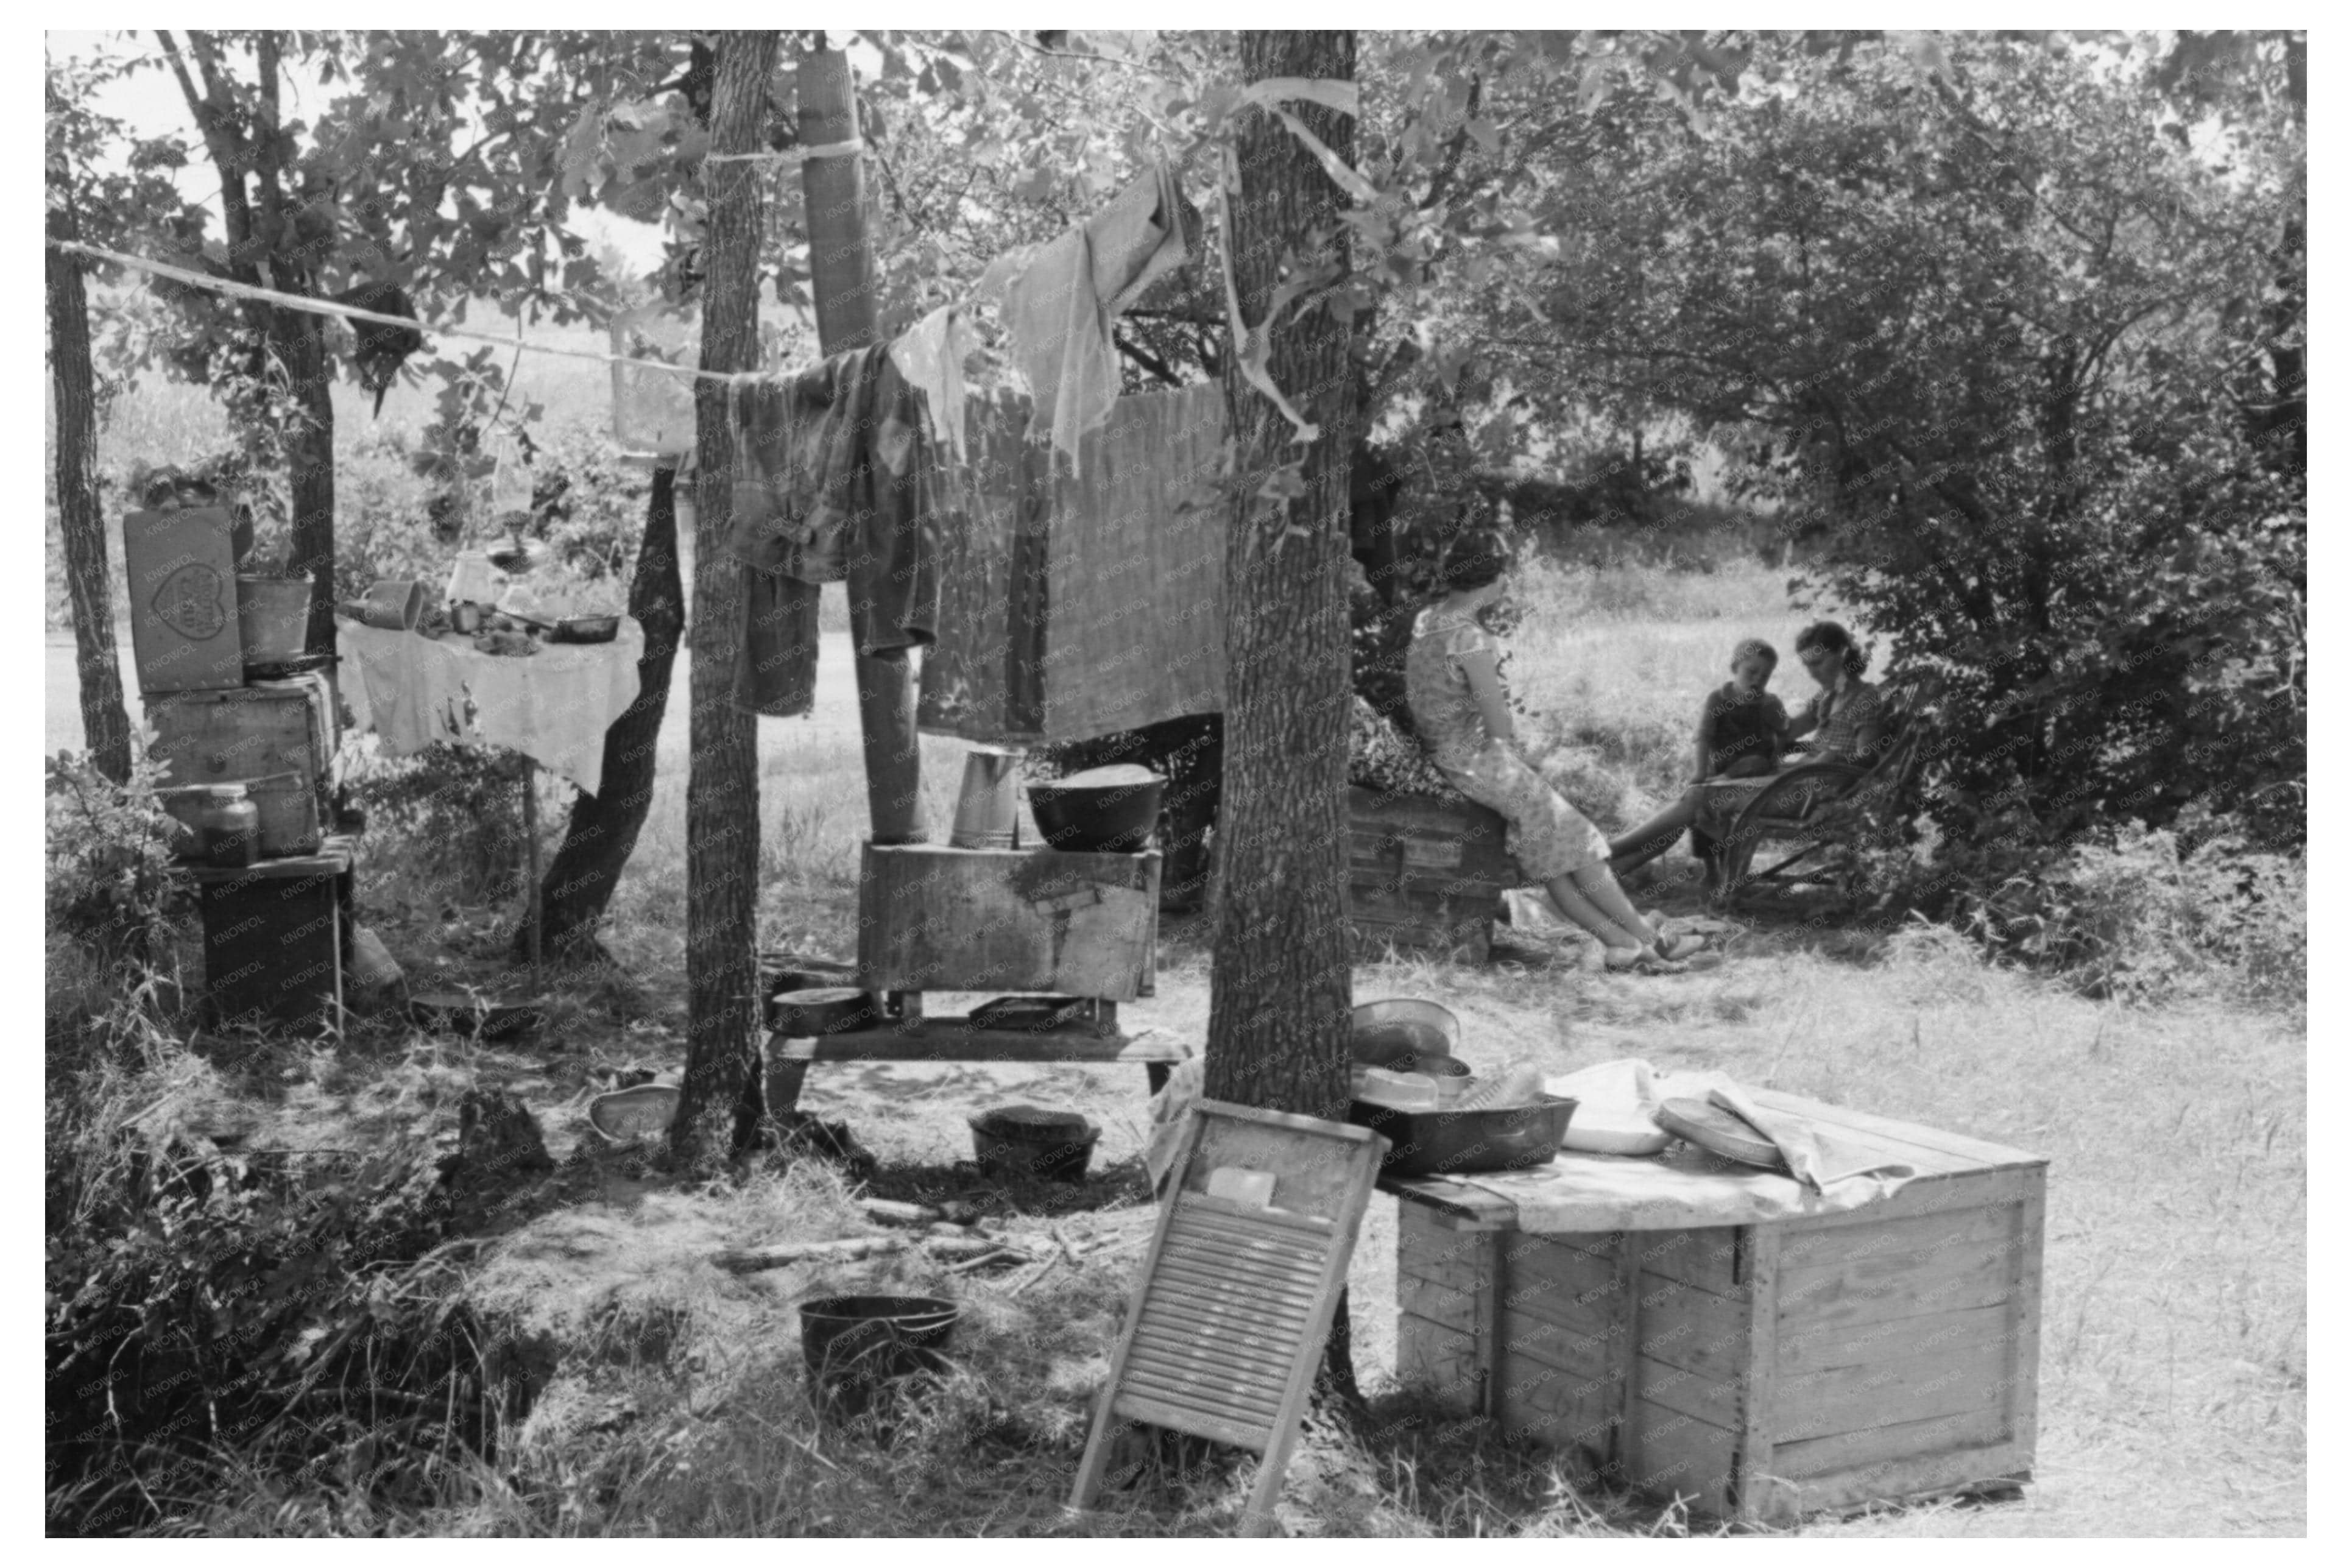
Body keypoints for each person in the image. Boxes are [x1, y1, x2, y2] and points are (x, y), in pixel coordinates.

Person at [1404, 532, 1706, 973]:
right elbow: (1499, 727)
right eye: (1505, 574)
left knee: (1557, 856)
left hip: (1446, 754)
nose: (1507, 582)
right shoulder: (1469, 638)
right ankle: (1644, 939)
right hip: (1473, 761)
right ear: (1491, 580)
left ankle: (1626, 943)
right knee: (1575, 840)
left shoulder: (1427, 620)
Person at [1608, 620, 1887, 896]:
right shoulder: (1826, 697)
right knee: (1696, 798)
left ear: (1841, 653)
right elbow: (1788, 731)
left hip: (1815, 792)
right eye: (1807, 666)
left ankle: (1609, 853)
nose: (1813, 673)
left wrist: (1830, 759)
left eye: (1819, 663)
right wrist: (1761, 708)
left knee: (1696, 799)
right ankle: (1612, 868)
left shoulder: (1864, 697)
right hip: (1794, 781)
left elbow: (1867, 759)